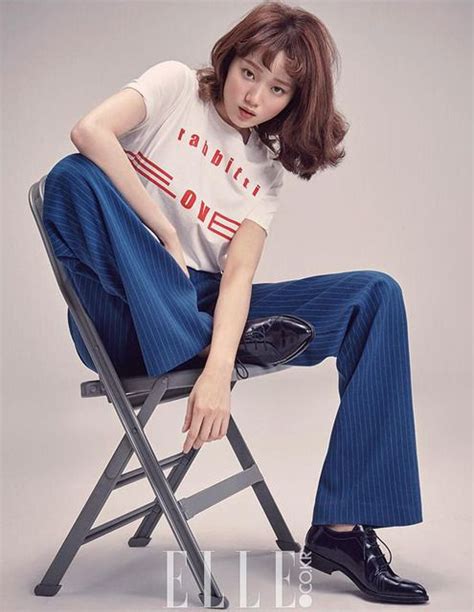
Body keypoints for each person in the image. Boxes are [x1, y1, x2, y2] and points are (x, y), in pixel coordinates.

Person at [42, 0, 429, 604]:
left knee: (374, 296)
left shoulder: (264, 174)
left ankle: (343, 531)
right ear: (229, 59)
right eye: (250, 72)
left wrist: (219, 370)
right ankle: (212, 335)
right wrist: (162, 231)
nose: (254, 97)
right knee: (73, 175)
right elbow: (89, 130)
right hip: (122, 308)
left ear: (292, 103)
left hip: (203, 306)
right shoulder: (175, 87)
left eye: (277, 89)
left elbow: (239, 276)